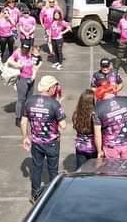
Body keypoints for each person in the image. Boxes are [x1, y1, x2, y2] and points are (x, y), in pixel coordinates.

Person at [21, 75, 66, 203]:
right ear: (51, 88)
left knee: (36, 167)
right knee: (53, 170)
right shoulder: (54, 104)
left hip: (36, 141)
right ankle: (52, 196)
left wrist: (25, 137)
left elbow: (24, 122)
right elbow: (63, 126)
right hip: (52, 143)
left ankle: (35, 195)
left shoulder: (30, 101)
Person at [94, 80, 127, 159]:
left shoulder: (97, 108)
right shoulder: (126, 100)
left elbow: (97, 134)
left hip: (110, 146)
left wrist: (99, 151)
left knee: (113, 170)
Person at [9, 41, 41, 128]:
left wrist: (34, 75)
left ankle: (27, 116)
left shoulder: (31, 54)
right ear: (21, 47)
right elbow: (9, 61)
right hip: (22, 78)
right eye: (23, 48)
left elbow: (35, 65)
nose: (25, 51)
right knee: (21, 99)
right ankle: (18, 118)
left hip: (31, 79)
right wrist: (17, 65)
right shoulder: (17, 53)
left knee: (29, 98)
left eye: (26, 49)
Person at [72, 90, 98, 169]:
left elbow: (76, 127)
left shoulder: (77, 113)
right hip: (93, 148)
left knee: (81, 171)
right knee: (93, 171)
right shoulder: (94, 114)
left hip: (80, 147)